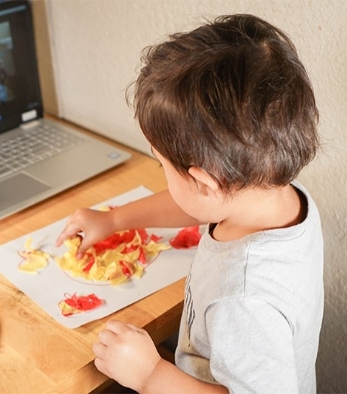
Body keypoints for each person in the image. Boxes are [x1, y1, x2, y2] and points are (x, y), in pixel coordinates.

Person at [56, 14, 323, 393]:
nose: (161, 169)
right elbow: (198, 204)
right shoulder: (272, 192)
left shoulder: (244, 301)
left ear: (204, 182)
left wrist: (150, 374)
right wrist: (114, 219)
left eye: (161, 163)